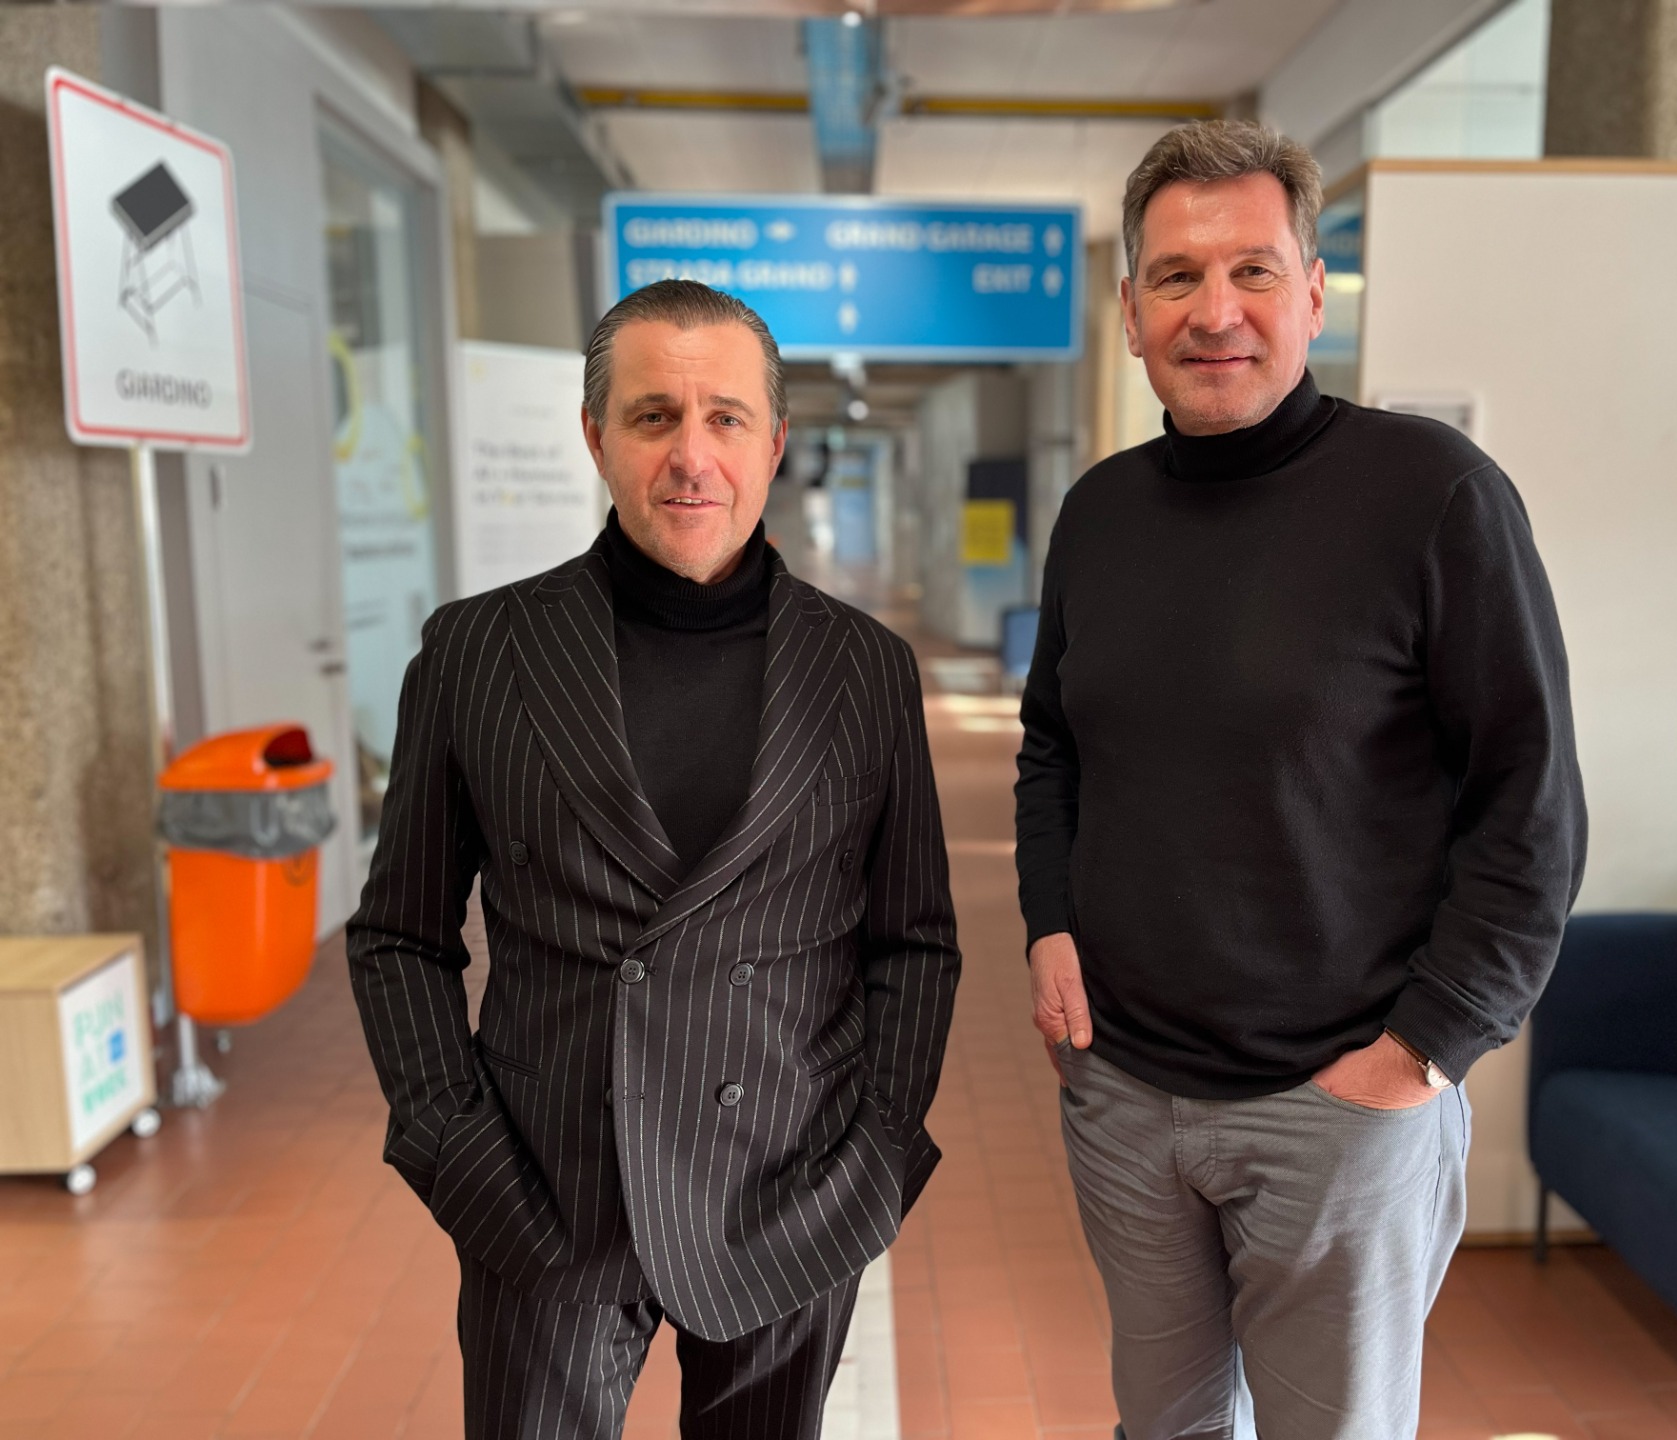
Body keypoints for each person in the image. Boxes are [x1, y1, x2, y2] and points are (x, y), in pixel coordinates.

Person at [1015, 120, 1586, 1440]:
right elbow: (1054, 742)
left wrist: (1425, 1050)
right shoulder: (1100, 512)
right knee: (1163, 1428)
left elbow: (1531, 802)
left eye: (1254, 271)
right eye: (1177, 277)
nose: (1215, 312)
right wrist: (1049, 923)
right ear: (1131, 312)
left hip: (1337, 1104)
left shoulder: (1434, 496)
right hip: (1125, 1093)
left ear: (1315, 294)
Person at [349, 280, 959, 1440]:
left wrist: (874, 1156)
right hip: (548, 1196)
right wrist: (453, 1147)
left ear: (775, 443)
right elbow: (399, 935)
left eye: (726, 418)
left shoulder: (866, 668)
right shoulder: (479, 650)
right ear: (596, 437)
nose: (691, 456)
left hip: (789, 1200)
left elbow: (913, 941)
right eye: (652, 417)